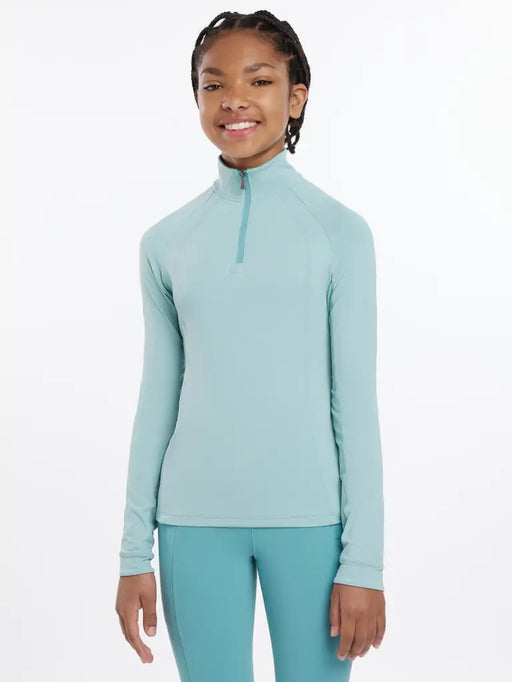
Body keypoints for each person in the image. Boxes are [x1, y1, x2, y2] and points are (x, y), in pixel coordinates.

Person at [115, 9, 386, 682]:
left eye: (259, 80)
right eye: (214, 84)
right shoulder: (165, 243)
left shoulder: (339, 234)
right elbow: (157, 398)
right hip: (191, 524)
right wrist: (132, 553)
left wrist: (364, 563)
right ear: (197, 99)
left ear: (295, 98)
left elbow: (355, 404)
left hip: (313, 526)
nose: (234, 98)